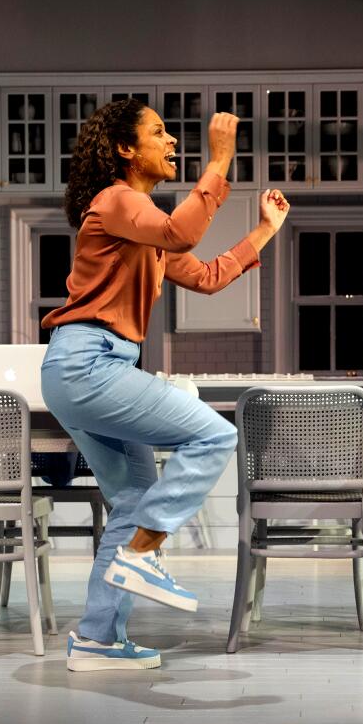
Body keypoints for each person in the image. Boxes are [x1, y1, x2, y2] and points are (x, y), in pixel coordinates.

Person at [41, 99, 289, 671]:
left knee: (130, 502)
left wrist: (263, 231)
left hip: (85, 368)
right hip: (90, 363)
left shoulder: (140, 226)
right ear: (127, 150)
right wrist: (221, 158)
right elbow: (183, 231)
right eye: (159, 133)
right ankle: (143, 553)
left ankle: (96, 640)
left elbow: (205, 275)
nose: (173, 142)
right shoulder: (116, 201)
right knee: (214, 438)